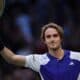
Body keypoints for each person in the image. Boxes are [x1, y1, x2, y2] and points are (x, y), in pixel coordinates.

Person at [0, 22, 80, 80]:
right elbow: (12, 58)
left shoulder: (77, 57)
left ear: (61, 38)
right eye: (48, 37)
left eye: (55, 36)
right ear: (44, 41)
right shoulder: (39, 60)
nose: (52, 39)